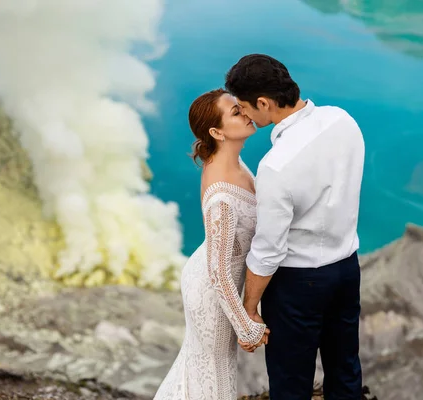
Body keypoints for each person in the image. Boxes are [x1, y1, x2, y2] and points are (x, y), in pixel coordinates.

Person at [225, 54, 365, 400]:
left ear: (263, 103)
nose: (245, 115)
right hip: (347, 269)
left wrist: (250, 306)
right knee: (345, 369)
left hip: (298, 284)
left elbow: (268, 249)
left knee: (291, 383)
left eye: (244, 107)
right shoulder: (343, 120)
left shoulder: (276, 165)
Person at [153, 88, 270, 400]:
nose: (246, 112)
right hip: (211, 291)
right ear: (217, 132)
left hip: (214, 276)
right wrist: (245, 325)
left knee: (199, 368)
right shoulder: (221, 195)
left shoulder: (234, 162)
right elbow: (218, 271)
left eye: (240, 106)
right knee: (214, 373)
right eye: (236, 112)